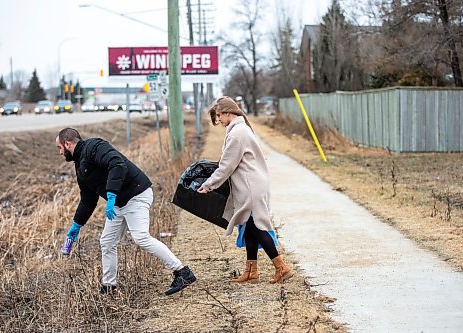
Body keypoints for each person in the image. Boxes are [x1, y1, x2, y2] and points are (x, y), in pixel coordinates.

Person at [55, 127, 196, 295]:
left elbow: (117, 164)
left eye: (59, 148)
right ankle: (109, 286)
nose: (59, 152)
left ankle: (182, 272)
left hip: (136, 194)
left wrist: (111, 195)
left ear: (67, 144)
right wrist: (76, 225)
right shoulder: (80, 165)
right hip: (118, 203)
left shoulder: (94, 146)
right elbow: (88, 199)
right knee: (106, 242)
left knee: (141, 237)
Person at [197, 96, 293, 284]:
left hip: (250, 187)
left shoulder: (238, 133)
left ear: (228, 113)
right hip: (251, 185)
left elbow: (226, 166)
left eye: (219, 116)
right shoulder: (239, 129)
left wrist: (208, 185)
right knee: (248, 227)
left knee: (257, 227)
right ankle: (251, 272)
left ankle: (281, 267)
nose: (219, 121)